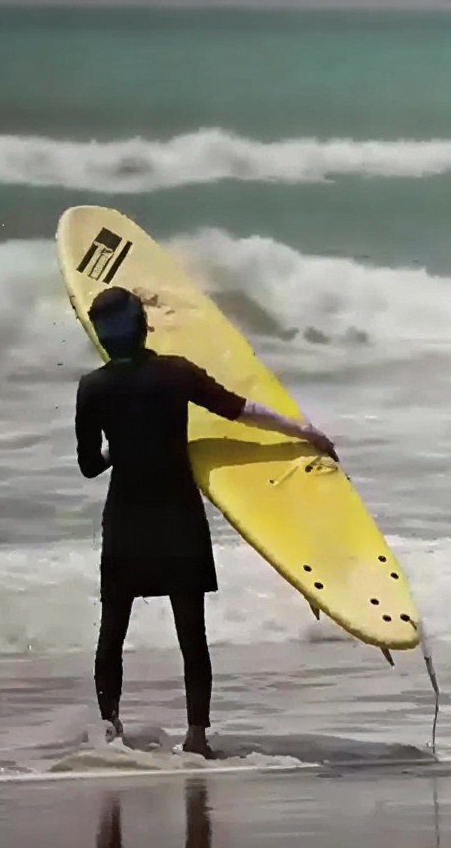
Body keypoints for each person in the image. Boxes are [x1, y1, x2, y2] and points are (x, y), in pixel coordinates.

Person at [75, 287, 336, 758]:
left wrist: (120, 449)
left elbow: (89, 466)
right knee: (190, 632)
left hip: (127, 519)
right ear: (143, 326)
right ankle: (196, 735)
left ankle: (110, 728)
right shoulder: (177, 374)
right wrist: (306, 432)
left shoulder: (92, 388)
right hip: (178, 514)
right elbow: (241, 409)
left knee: (112, 629)